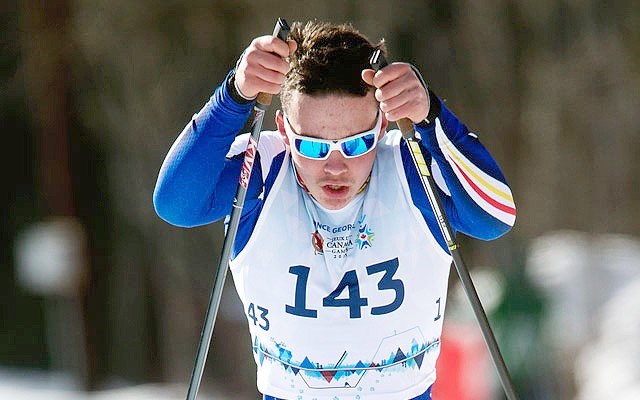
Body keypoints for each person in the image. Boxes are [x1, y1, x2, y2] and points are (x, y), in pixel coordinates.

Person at [154, 20, 516, 400]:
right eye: (312, 147)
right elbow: (175, 204)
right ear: (283, 128)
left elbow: (494, 218)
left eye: (357, 144)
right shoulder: (261, 170)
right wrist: (234, 96)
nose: (335, 167)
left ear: (381, 127)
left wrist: (432, 116)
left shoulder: (413, 167)